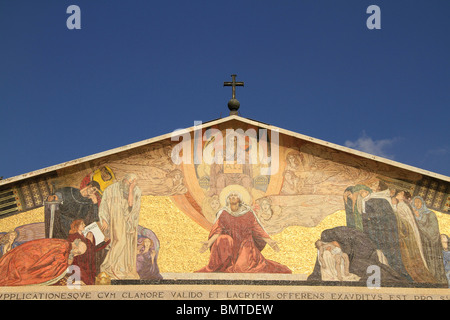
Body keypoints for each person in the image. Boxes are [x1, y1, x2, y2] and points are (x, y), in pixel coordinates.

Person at [196, 187, 291, 274]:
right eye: (231, 196)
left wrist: (270, 241)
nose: (233, 197)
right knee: (223, 238)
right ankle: (223, 264)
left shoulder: (248, 213)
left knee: (242, 269)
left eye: (235, 195)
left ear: (240, 199)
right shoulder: (224, 213)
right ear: (228, 199)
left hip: (245, 244)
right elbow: (218, 230)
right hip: (229, 246)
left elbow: (257, 229)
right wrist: (209, 242)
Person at [99, 173, 141, 279]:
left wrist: (131, 190)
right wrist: (104, 219)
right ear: (124, 180)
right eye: (129, 182)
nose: (130, 185)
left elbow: (133, 206)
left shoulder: (136, 191)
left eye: (133, 183)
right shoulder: (111, 189)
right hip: (115, 219)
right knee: (119, 241)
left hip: (128, 221)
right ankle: (107, 266)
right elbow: (103, 204)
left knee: (126, 244)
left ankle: (121, 269)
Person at [0, 238, 86, 286]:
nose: (76, 255)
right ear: (75, 247)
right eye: (77, 253)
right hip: (26, 261)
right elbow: (51, 266)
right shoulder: (63, 247)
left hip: (24, 255)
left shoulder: (63, 243)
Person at [394, 191, 436, 283]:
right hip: (409, 233)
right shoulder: (401, 205)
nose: (398, 193)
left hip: (407, 233)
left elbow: (405, 221)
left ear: (403, 197)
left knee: (409, 254)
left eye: (400, 193)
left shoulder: (401, 205)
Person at [411, 196, 447, 284]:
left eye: (419, 202)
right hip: (421, 244)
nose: (417, 204)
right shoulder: (413, 215)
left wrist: (419, 221)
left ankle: (436, 279)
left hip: (432, 245)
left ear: (423, 203)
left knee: (432, 261)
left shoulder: (430, 214)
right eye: (415, 202)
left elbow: (433, 232)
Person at [67, 219, 110, 285]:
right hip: (78, 264)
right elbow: (71, 251)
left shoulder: (86, 240)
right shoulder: (73, 236)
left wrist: (105, 242)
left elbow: (94, 249)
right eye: (82, 224)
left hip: (87, 265)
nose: (84, 225)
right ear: (77, 226)